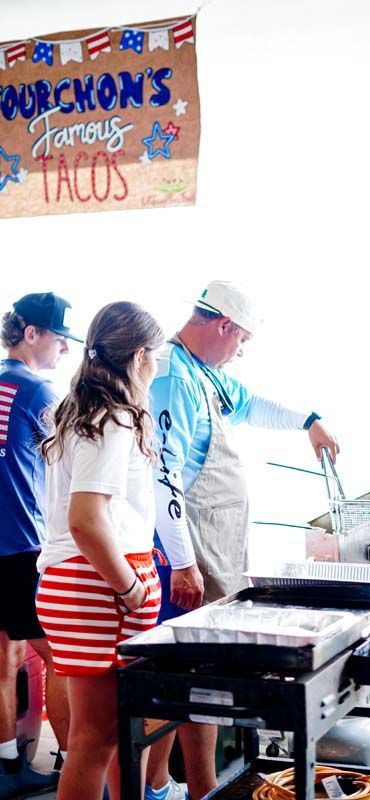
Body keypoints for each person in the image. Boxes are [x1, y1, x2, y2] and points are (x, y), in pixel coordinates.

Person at [146, 281, 339, 800]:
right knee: (175, 678)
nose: (241, 351)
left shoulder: (206, 372)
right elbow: (163, 476)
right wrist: (182, 563)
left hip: (210, 546)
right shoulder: (171, 377)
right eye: (242, 340)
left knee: (189, 676)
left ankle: (175, 787)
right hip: (183, 552)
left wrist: (309, 421)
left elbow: (251, 405)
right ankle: (169, 788)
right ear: (223, 325)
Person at [36, 301, 165, 800]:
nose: (156, 366)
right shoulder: (113, 417)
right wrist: (131, 589)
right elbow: (86, 520)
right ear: (137, 357)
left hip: (79, 584)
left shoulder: (78, 411)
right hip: (99, 588)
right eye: (154, 356)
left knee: (109, 737)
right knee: (97, 739)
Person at [0, 292, 79, 799]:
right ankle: (77, 767)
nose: (65, 352)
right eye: (61, 339)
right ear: (32, 334)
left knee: (1, 659)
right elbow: (78, 463)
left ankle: (6, 767)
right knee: (66, 658)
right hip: (22, 549)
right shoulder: (40, 392)